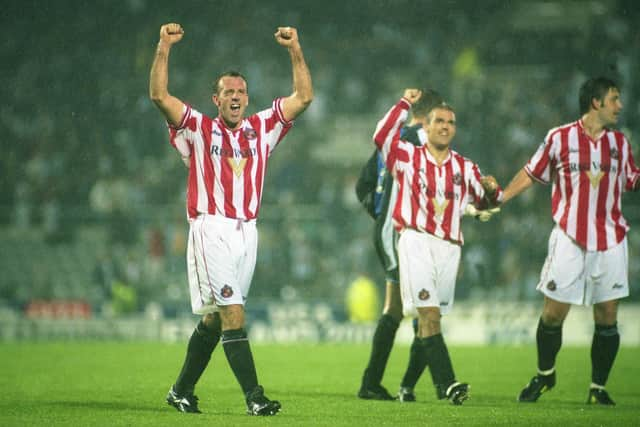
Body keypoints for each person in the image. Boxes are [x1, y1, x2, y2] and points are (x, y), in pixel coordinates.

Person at [149, 22, 313, 415]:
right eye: (228, 92)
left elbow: (304, 97)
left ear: (247, 97)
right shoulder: (198, 128)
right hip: (212, 227)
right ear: (216, 99)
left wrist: (295, 49)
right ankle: (255, 398)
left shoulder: (262, 127)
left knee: (216, 320)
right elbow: (159, 95)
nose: (236, 97)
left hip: (247, 233)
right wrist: (163, 47)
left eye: (241, 92)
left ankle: (181, 390)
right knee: (233, 313)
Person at [502, 77, 638, 405]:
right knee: (552, 315)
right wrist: (502, 197)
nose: (620, 105)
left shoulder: (620, 143)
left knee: (607, 316)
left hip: (611, 240)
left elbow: (632, 179)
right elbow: (532, 172)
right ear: (596, 102)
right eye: (614, 99)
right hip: (569, 238)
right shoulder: (559, 138)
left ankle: (597, 388)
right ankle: (545, 375)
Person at [371, 89, 502, 405]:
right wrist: (403, 103)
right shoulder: (407, 156)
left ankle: (406, 386)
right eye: (439, 121)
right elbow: (380, 137)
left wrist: (492, 191)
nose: (445, 126)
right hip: (415, 241)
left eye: (450, 122)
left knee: (432, 321)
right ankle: (449, 385)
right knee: (428, 314)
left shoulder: (465, 167)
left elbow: (485, 203)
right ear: (425, 127)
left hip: (450, 248)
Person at [356, 89, 446, 401]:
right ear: (431, 114)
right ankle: (412, 386)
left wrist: (380, 214)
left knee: (395, 308)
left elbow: (362, 186)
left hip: (390, 231)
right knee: (425, 309)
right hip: (403, 233)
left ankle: (373, 383)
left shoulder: (395, 140)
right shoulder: (421, 140)